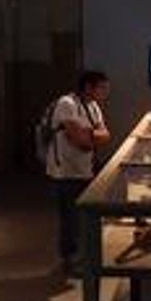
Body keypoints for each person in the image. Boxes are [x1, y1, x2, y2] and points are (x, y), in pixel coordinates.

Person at [45, 70, 111, 276]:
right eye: (102, 88)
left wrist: (88, 134)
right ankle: (70, 260)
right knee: (70, 219)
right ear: (88, 87)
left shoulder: (93, 106)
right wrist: (92, 136)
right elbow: (81, 142)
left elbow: (106, 136)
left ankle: (82, 258)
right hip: (65, 171)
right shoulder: (67, 104)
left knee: (84, 217)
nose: (105, 92)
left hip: (85, 170)